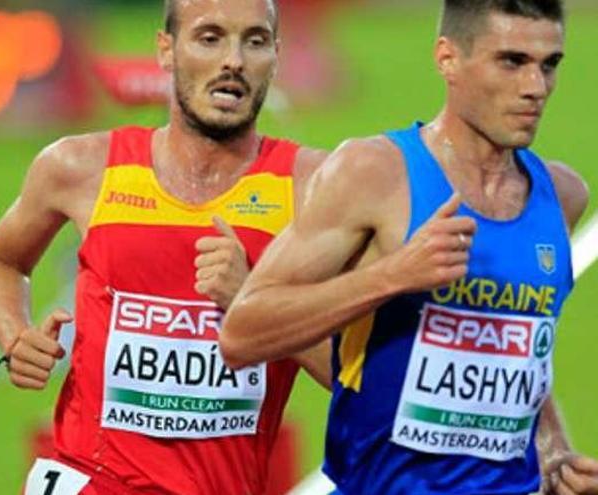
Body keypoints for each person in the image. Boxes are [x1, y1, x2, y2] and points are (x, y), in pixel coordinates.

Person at [222, 0, 598, 494]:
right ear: (447, 58)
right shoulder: (373, 173)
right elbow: (243, 333)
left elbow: (518, 346)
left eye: (549, 65)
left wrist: (553, 448)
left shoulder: (562, 196)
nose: (535, 88)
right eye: (511, 62)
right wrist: (392, 276)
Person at [0, 0, 331, 493]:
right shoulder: (79, 167)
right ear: (166, 50)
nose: (234, 60)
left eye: (254, 41)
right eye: (209, 38)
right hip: (89, 480)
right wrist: (15, 336)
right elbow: (0, 260)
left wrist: (253, 303)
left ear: (276, 55)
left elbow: (358, 375)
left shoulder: (314, 186)